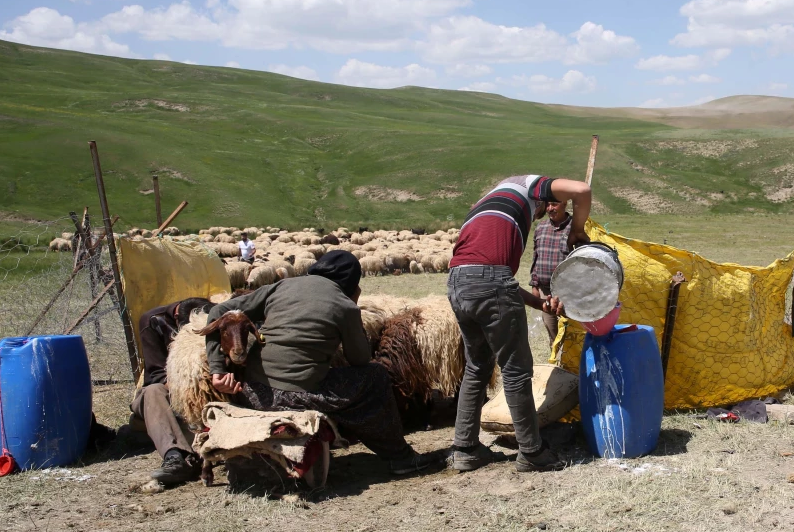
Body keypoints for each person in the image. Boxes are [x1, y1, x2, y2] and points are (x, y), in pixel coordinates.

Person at [205, 250, 445, 476]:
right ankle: (400, 457)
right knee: (375, 377)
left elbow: (218, 312)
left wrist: (217, 369)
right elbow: (360, 359)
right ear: (352, 283)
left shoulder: (280, 286)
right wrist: (352, 307)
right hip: (294, 397)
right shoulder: (344, 305)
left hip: (252, 391)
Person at [447, 174, 592, 473]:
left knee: (477, 366)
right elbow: (582, 189)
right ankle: (532, 451)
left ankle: (465, 449)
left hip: (458, 282)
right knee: (515, 370)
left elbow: (492, 277)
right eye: (544, 205)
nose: (541, 212)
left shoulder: (481, 207)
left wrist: (539, 303)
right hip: (489, 282)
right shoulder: (527, 186)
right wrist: (576, 230)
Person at [132, 297, 213, 485]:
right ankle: (176, 457)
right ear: (177, 319)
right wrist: (187, 381)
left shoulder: (212, 314)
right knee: (153, 391)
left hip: (205, 392)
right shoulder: (153, 321)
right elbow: (156, 374)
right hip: (171, 392)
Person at [530, 200, 573, 345]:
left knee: (571, 334)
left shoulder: (576, 228)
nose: (550, 209)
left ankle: (571, 366)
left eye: (554, 204)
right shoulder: (541, 228)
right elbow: (536, 257)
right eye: (547, 205)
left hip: (568, 293)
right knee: (552, 332)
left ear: (565, 203)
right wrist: (534, 286)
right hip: (545, 292)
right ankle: (557, 363)